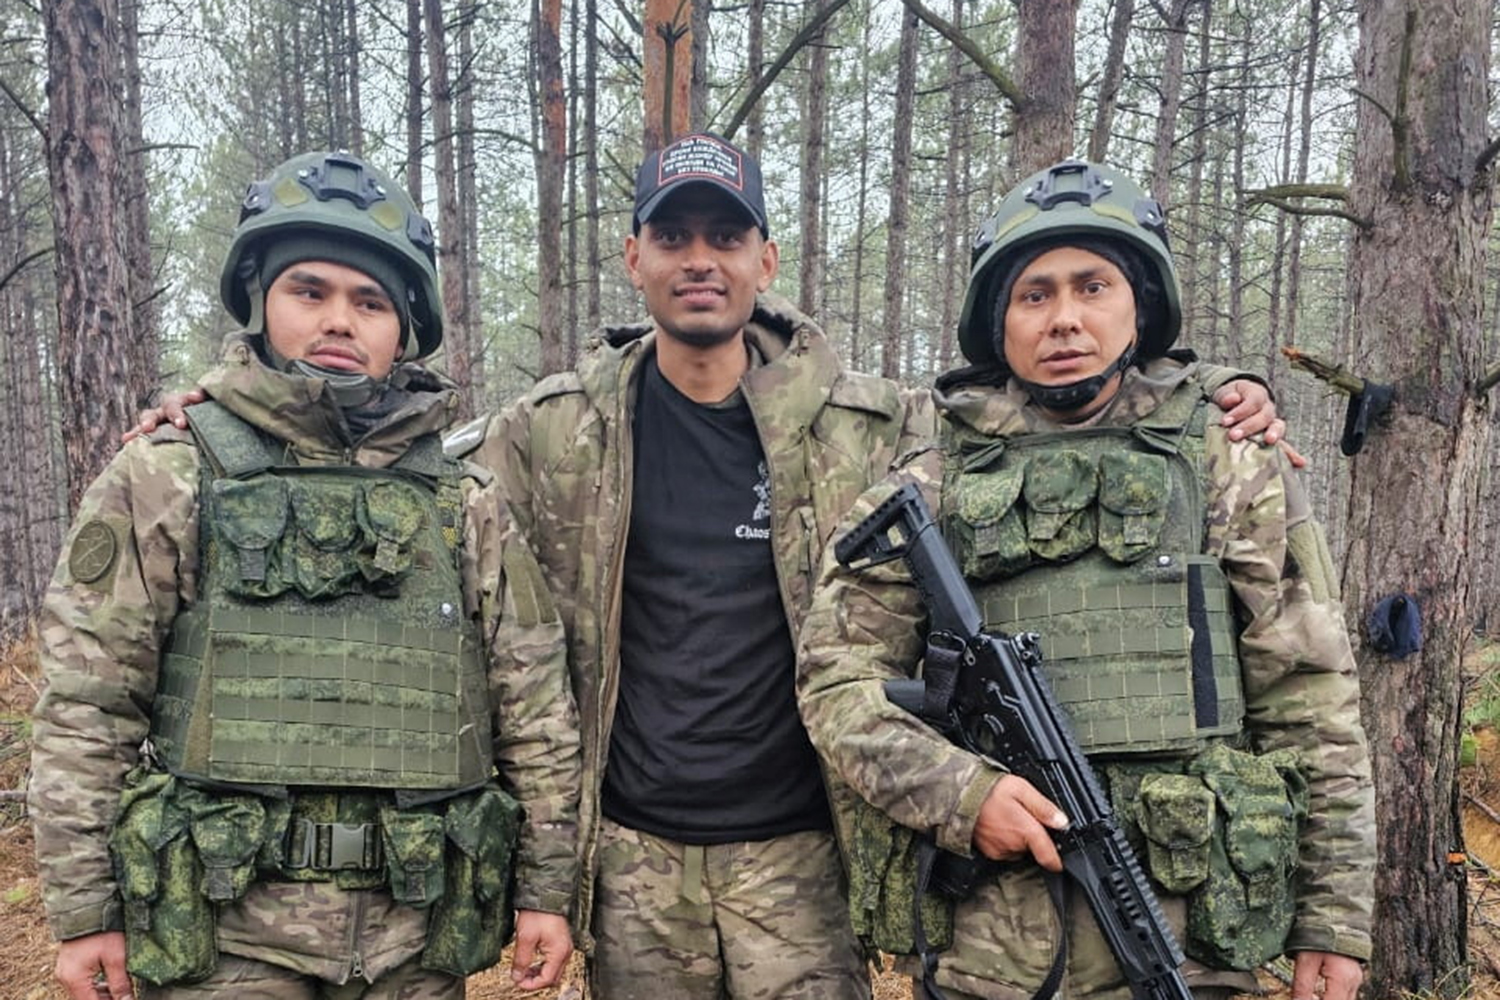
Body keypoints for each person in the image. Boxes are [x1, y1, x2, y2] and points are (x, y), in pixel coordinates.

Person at [126, 137, 1286, 999]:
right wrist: (218, 410)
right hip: (630, 854)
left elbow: (1029, 428)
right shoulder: (549, 431)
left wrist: (1224, 403)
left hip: (804, 853)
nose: (698, 260)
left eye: (723, 236)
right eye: (672, 236)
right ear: (633, 256)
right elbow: (389, 465)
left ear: (763, 256)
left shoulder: (867, 425)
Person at [796, 159, 1375, 1000]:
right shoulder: (930, 481)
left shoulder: (1226, 458)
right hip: (984, 960)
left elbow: (1310, 698)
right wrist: (965, 795)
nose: (1064, 319)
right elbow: (836, 684)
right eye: (1035, 295)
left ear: (1139, 307)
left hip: (1189, 938)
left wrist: (1332, 918)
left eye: (1092, 287)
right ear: (998, 324)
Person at [29, 150, 580, 1000]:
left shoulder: (464, 501)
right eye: (309, 291)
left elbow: (535, 709)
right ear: (259, 299)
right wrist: (83, 908)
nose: (339, 321)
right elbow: (87, 710)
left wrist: (545, 891)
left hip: (415, 932)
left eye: (369, 302)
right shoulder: (170, 475)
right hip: (222, 936)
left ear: (404, 329)